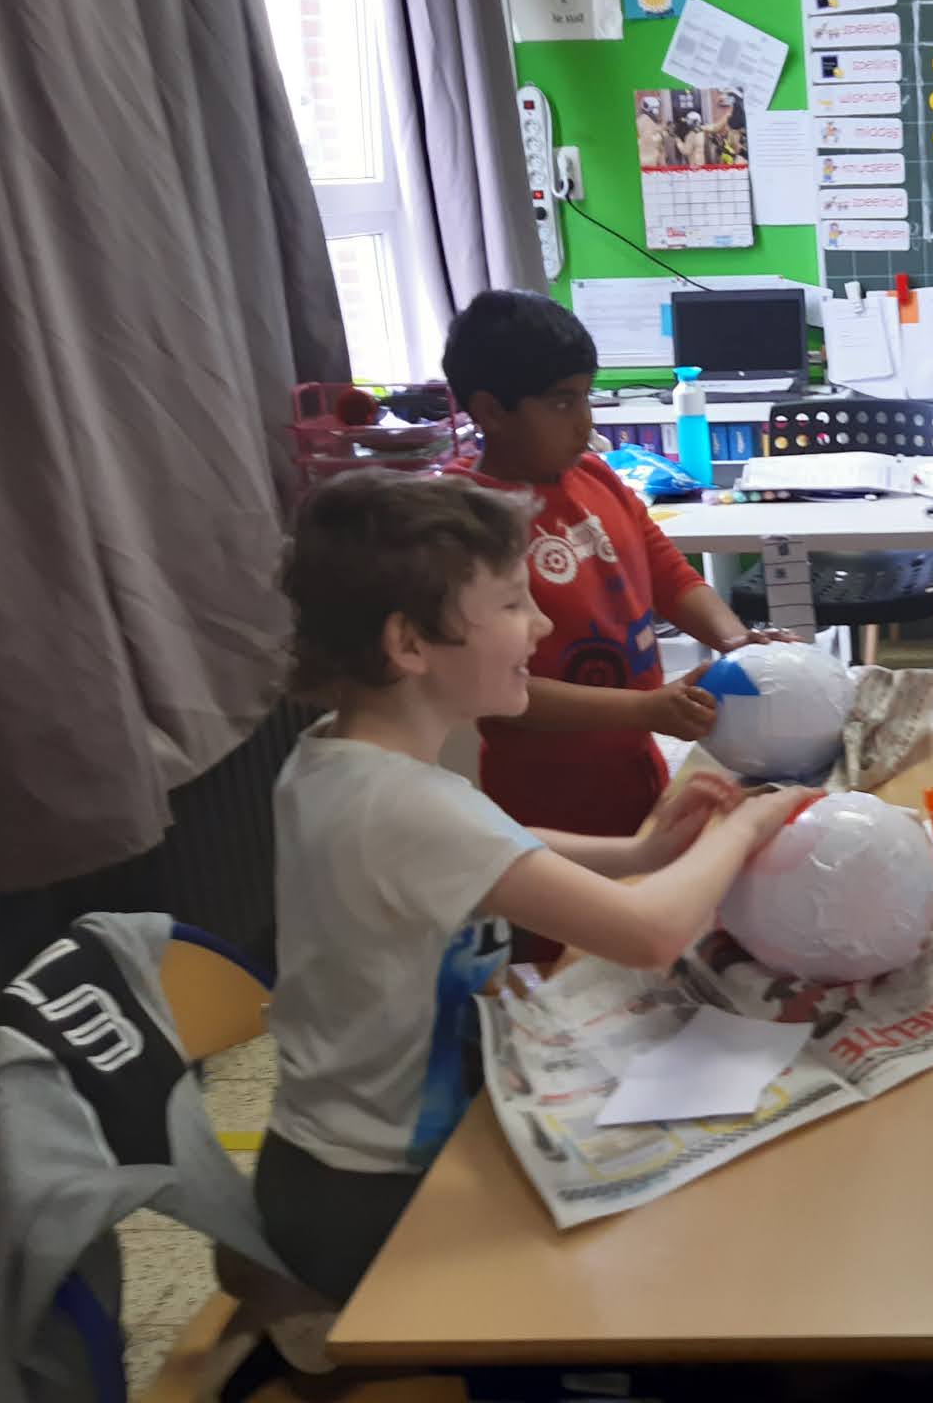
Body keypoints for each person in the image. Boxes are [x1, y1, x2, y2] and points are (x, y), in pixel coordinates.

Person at [259, 469, 816, 1302]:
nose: (543, 623)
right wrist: (744, 829)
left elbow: (493, 847)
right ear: (409, 644)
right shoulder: (400, 803)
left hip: (331, 1157)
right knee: (693, 1267)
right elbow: (650, 935)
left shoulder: (342, 757)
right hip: (379, 1192)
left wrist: (640, 852)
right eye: (514, 603)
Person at [443, 290, 786, 848]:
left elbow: (669, 574)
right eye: (561, 403)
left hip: (637, 767)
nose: (585, 423)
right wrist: (645, 709)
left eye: (586, 397)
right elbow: (499, 690)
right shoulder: (461, 519)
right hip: (546, 801)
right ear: (490, 411)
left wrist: (735, 641)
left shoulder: (595, 477)